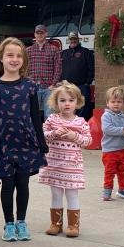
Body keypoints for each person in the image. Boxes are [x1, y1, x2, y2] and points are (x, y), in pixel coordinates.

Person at [0, 37, 48, 242]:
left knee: (23, 185)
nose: (14, 59)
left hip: (26, 143)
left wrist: (41, 142)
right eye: (10, 55)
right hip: (4, 145)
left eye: (19, 56)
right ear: (1, 58)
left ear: (24, 60)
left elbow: (36, 117)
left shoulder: (29, 86)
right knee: (7, 185)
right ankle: (9, 224)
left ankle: (21, 222)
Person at [39, 82, 91, 237]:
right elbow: (42, 136)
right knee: (55, 194)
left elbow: (88, 141)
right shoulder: (51, 120)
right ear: (56, 103)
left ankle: (73, 226)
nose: (67, 104)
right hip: (54, 164)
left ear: (77, 102)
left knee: (72, 194)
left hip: (72, 166)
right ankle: (55, 224)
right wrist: (54, 133)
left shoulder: (81, 122)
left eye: (71, 100)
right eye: (62, 100)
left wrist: (74, 136)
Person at [100, 86, 124, 201]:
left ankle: (123, 189)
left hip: (123, 149)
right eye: (113, 101)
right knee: (109, 171)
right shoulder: (106, 116)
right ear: (107, 103)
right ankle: (107, 191)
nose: (116, 104)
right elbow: (107, 129)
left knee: (122, 171)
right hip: (110, 150)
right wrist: (123, 130)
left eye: (119, 101)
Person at [26, 24, 61, 118]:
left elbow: (58, 68)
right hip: (33, 88)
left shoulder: (54, 49)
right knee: (32, 114)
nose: (39, 35)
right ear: (34, 34)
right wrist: (29, 82)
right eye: (38, 33)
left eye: (42, 32)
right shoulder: (28, 50)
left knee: (49, 115)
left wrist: (53, 84)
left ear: (46, 34)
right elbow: (24, 68)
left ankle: (48, 133)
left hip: (48, 88)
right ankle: (33, 133)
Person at [60, 32, 95, 118]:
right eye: (71, 39)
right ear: (68, 40)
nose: (73, 41)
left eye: (74, 39)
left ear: (78, 39)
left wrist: (88, 82)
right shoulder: (63, 53)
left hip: (82, 86)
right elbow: (58, 69)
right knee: (68, 108)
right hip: (67, 87)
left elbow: (92, 68)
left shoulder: (86, 52)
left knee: (83, 109)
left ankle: (81, 128)